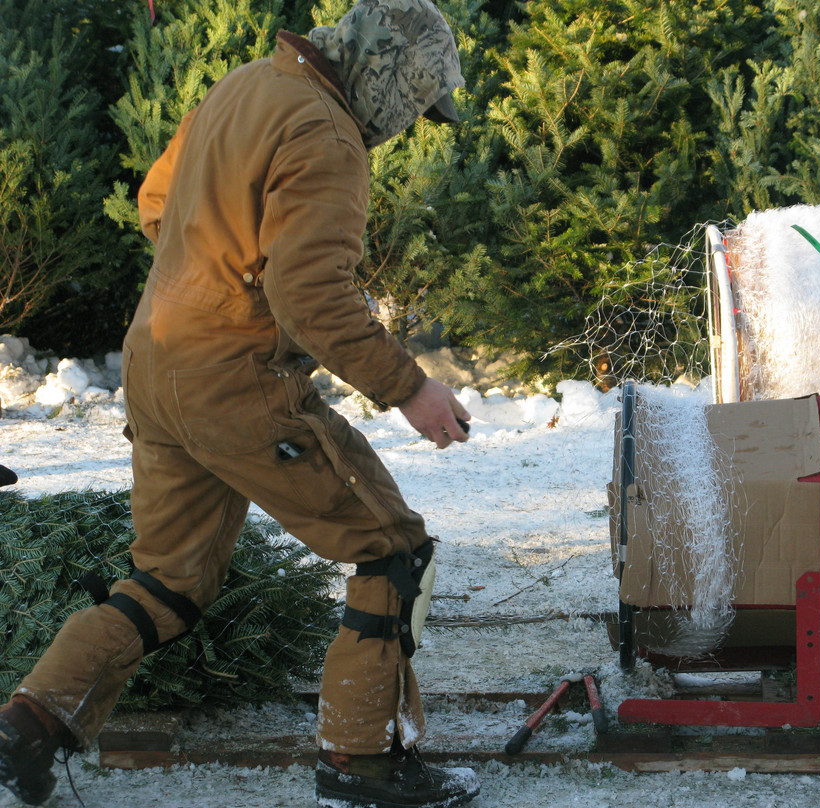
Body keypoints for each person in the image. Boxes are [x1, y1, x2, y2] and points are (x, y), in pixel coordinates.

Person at [0, 2, 479, 806]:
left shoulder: (246, 85)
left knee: (167, 583)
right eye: (415, 103)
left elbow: (158, 201)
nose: (405, 126)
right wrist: (412, 388)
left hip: (156, 367)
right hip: (235, 384)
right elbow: (311, 299)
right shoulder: (328, 137)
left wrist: (211, 278)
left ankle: (31, 721)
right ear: (386, 69)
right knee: (392, 552)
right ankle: (360, 762)